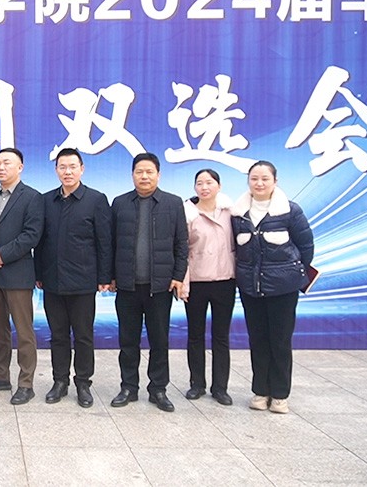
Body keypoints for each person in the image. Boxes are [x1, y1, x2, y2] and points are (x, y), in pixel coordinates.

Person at [231, 161, 314, 414]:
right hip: (251, 288)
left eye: (265, 179)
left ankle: (279, 395)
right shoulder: (238, 213)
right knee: (258, 340)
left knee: (280, 340)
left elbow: (306, 247)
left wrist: (290, 274)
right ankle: (260, 391)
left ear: (275, 181)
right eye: (254, 178)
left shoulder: (290, 211)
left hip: (283, 289)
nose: (259, 183)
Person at [109, 152, 188, 412]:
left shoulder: (172, 203)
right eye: (139, 172)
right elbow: (110, 243)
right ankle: (128, 387)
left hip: (160, 287)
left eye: (149, 172)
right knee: (128, 341)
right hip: (127, 286)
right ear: (132, 175)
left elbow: (182, 244)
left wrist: (178, 276)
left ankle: (158, 389)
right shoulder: (120, 203)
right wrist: (110, 276)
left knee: (159, 340)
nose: (144, 176)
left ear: (158, 175)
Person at [34, 148, 112, 408]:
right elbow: (40, 242)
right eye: (62, 167)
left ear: (82, 169)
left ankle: (83, 383)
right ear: (56, 170)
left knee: (83, 336)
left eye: (72, 167)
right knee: (57, 335)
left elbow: (104, 241)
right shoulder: (46, 200)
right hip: (52, 280)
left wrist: (104, 276)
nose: (67, 172)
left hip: (83, 281)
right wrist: (38, 273)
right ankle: (60, 381)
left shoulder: (96, 199)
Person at [0, 148, 44, 405]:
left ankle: (26, 383)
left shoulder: (33, 197)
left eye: (7, 162)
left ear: (20, 167)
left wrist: (2, 255)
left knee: (24, 331)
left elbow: (31, 235)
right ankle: (0, 375)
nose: (1, 167)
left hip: (17, 274)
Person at [180, 168, 236, 406]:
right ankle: (197, 384)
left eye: (209, 182)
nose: (204, 187)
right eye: (200, 183)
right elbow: (181, 251)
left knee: (221, 336)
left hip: (225, 280)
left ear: (219, 186)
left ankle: (220, 387)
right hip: (197, 282)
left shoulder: (231, 213)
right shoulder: (187, 214)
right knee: (195, 335)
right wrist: (183, 283)